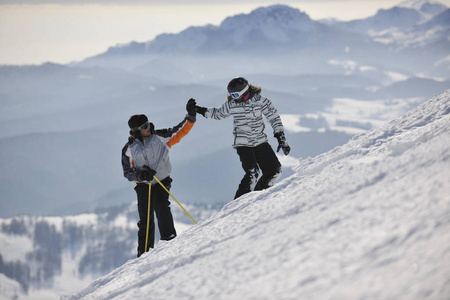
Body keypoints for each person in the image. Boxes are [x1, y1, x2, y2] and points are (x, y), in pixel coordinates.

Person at [121, 98, 197, 257]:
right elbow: (128, 172)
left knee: (161, 205)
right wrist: (141, 175)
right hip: (143, 185)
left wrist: (190, 116)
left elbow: (179, 130)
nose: (148, 128)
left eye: (148, 124)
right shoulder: (129, 149)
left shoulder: (161, 137)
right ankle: (144, 253)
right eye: (143, 127)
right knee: (145, 218)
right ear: (135, 131)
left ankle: (169, 240)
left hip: (162, 181)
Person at [195, 77, 290, 200]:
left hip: (260, 141)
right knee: (252, 173)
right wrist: (199, 109)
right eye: (230, 95)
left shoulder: (261, 101)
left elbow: (274, 117)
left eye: (235, 94)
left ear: (244, 91)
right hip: (243, 143)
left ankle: (258, 196)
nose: (233, 97)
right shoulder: (232, 104)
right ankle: (238, 203)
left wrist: (280, 136)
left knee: (275, 171)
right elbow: (218, 114)